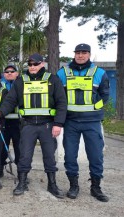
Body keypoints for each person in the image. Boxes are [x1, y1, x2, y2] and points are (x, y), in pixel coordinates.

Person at [0, 53, 67, 198]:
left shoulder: (53, 79)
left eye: (35, 64)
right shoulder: (21, 81)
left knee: (49, 157)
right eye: (30, 64)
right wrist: (0, 112)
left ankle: (52, 185)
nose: (32, 67)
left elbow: (61, 102)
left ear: (42, 64)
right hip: (28, 125)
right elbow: (10, 100)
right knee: (25, 156)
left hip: (48, 125)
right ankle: (21, 183)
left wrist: (58, 123)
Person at [56, 43, 110, 202]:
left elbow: (105, 96)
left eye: (84, 53)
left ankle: (96, 187)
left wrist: (94, 108)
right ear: (74, 54)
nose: (80, 55)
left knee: (96, 156)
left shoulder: (99, 73)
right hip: (71, 122)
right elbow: (58, 96)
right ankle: (74, 186)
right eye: (78, 52)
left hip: (92, 122)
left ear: (89, 54)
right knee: (70, 156)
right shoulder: (63, 73)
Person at [1, 65, 21, 171]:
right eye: (7, 71)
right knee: (1, 148)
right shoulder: (0, 85)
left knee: (20, 149)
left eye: (12, 71)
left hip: (18, 122)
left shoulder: (22, 84)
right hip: (3, 121)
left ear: (17, 73)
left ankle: (21, 174)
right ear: (4, 74)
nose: (9, 73)